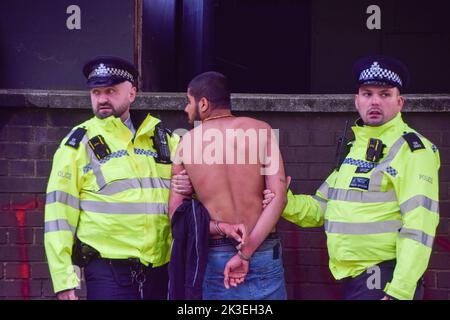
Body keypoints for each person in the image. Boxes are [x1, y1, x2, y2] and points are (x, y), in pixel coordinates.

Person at [264, 55, 440, 300]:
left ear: (400, 102)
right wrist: (283, 200)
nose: (375, 101)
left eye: (385, 94)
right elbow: (322, 208)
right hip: (355, 278)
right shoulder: (355, 148)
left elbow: (420, 225)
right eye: (367, 94)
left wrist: (400, 291)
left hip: (384, 278)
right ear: (357, 101)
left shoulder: (412, 150)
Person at [44, 56, 182, 300]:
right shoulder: (78, 144)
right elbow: (58, 215)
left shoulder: (162, 138)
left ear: (132, 93)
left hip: (160, 270)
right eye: (96, 92)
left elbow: (198, 187)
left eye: (111, 90)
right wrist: (64, 280)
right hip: (108, 272)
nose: (102, 98)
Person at [168, 71, 288, 300]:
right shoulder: (262, 130)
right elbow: (279, 198)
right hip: (262, 249)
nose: (186, 108)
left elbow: (176, 215)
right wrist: (245, 253)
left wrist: (221, 226)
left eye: (188, 101)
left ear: (203, 104)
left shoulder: (185, 144)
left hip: (216, 256)